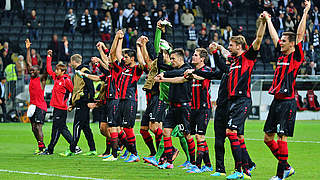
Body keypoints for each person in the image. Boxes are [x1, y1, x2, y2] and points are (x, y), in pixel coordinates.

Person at [263, 1, 311, 179]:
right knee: (268, 139)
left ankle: (280, 174)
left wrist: (305, 11)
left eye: (284, 41)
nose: (280, 42)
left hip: (288, 102)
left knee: (282, 137)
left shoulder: (295, 56)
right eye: (281, 40)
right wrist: (268, 20)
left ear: (292, 44)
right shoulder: (282, 54)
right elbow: (274, 36)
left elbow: (299, 33)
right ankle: (287, 167)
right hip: (277, 101)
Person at [154, 48, 195, 169]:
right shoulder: (173, 69)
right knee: (166, 132)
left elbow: (178, 74)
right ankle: (169, 162)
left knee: (187, 135)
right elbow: (160, 64)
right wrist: (161, 53)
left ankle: (193, 163)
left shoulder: (187, 68)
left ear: (180, 59)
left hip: (184, 108)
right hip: (172, 108)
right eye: (170, 58)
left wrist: (163, 75)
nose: (171, 61)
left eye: (173, 59)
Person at [114, 30, 146, 162]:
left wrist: (139, 47)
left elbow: (143, 63)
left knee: (127, 127)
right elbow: (117, 54)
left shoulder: (136, 69)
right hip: (121, 100)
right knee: (116, 127)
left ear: (132, 58)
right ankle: (130, 150)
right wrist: (120, 39)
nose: (124, 58)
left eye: (126, 57)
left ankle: (134, 153)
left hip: (130, 100)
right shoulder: (124, 67)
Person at [40, 50, 75, 155]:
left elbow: (73, 91)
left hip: (62, 108)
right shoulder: (56, 78)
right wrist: (49, 56)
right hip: (56, 107)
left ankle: (74, 146)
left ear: (63, 71)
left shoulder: (66, 80)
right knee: (57, 129)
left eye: (58, 70)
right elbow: (48, 69)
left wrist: (72, 104)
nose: (55, 71)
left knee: (60, 129)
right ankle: (51, 149)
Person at [60, 53, 97, 156]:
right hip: (80, 102)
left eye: (71, 61)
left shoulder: (84, 72)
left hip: (84, 103)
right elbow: (76, 90)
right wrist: (72, 103)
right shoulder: (77, 73)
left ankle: (72, 149)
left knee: (76, 126)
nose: (70, 63)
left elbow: (91, 88)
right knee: (85, 128)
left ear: (74, 61)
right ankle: (93, 149)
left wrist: (91, 101)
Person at [25, 39, 48, 154]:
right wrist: (28, 49)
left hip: (40, 106)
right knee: (34, 127)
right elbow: (28, 62)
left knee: (38, 126)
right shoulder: (32, 78)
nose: (31, 71)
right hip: (33, 105)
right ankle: (40, 145)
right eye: (31, 70)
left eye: (34, 70)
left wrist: (48, 58)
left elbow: (47, 71)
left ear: (38, 71)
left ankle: (42, 148)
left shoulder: (41, 79)